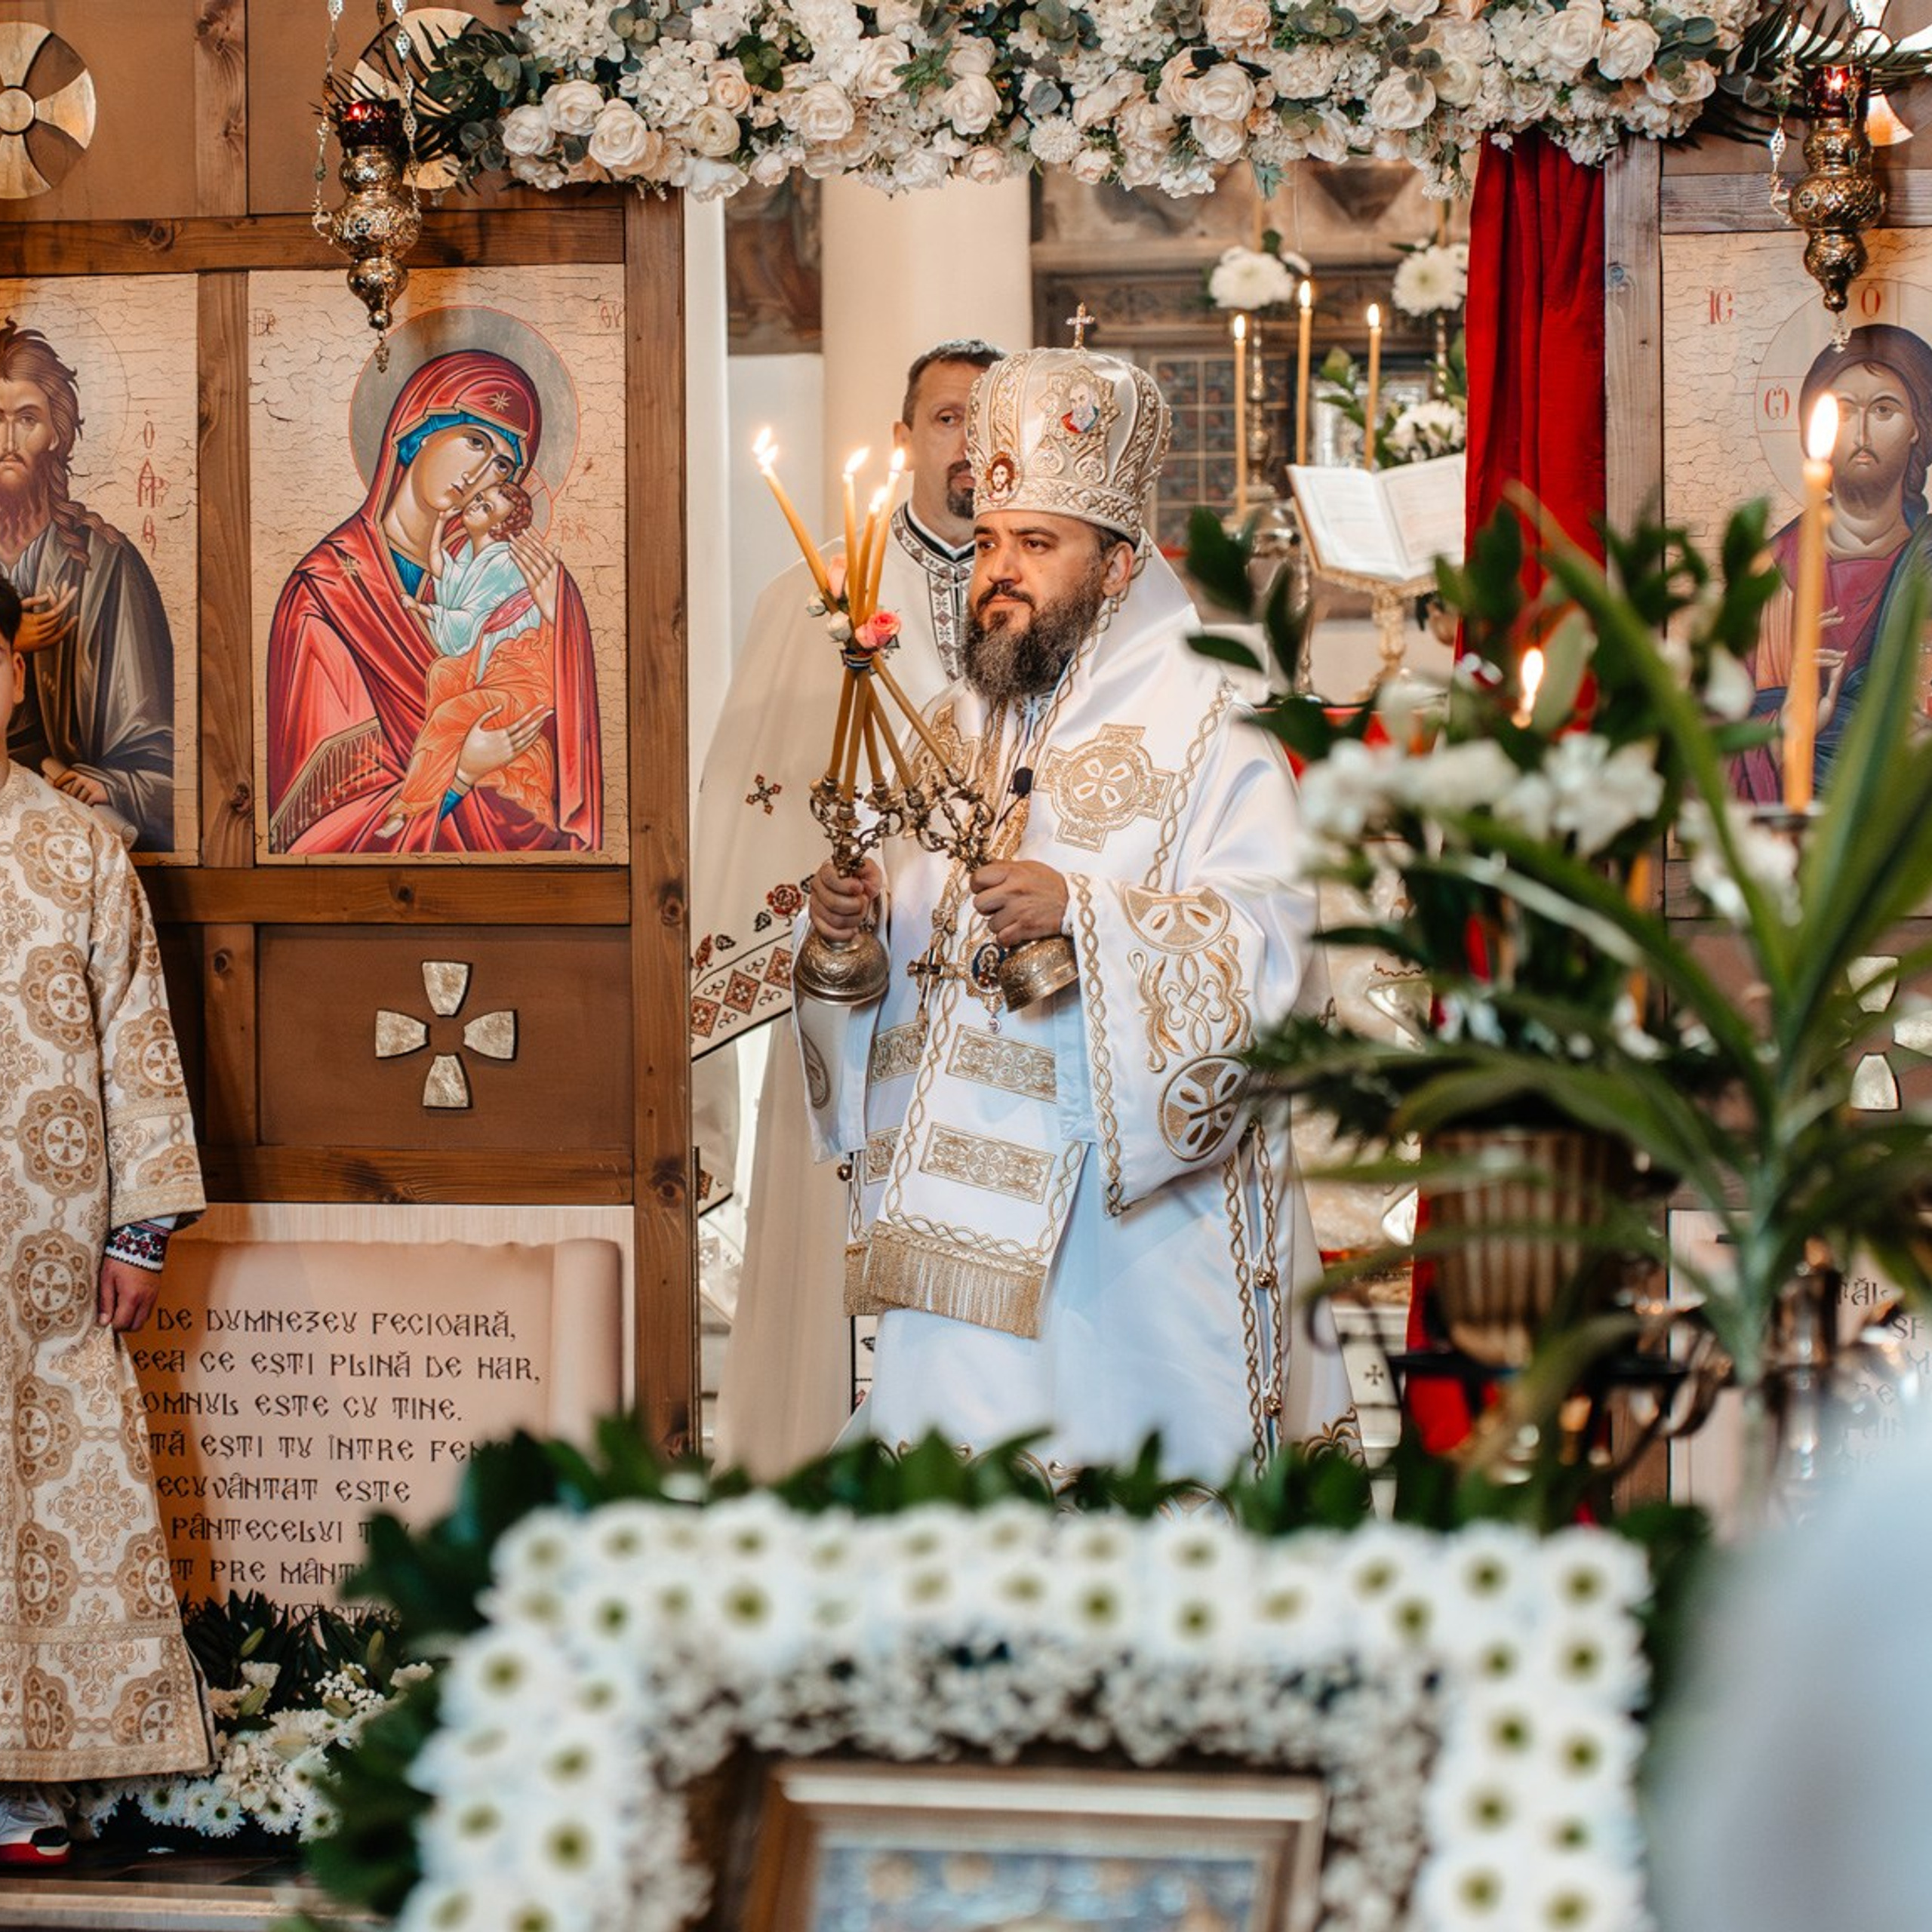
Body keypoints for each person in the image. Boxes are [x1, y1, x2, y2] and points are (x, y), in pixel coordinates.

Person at [798, 343, 1350, 1478]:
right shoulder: (956, 723)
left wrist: (1087, 916)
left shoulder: (1216, 721)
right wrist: (850, 936)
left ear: (1116, 563)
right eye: (991, 541)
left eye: (1037, 545)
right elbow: (906, 969)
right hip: (951, 1226)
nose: (999, 571)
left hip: (1131, 1240)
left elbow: (1278, 952)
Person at [697, 339, 1002, 1476]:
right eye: (947, 419)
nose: (972, 446)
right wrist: (815, 902)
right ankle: (809, 1498)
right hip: (855, 1007)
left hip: (1010, 1006)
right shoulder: (818, 595)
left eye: (993, 422)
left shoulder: (1068, 597)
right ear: (902, 442)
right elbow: (752, 795)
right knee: (832, 1268)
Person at [0, 574, 211, 1862]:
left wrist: (139, 1228)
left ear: (13, 678)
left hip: (44, 1263)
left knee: (40, 1502)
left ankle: (21, 1783)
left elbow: (137, 1037)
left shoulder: (77, 847)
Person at [265, 348, 601, 854]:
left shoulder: (521, 577)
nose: (479, 474)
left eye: (502, 464)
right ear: (417, 430)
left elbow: (558, 757)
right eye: (473, 441)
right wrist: (462, 772)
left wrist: (560, 622)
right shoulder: (327, 588)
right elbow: (323, 821)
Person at [1734, 323, 1932, 804]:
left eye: (1884, 410)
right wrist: (1794, 723)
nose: (1861, 433)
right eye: (1843, 412)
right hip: (1796, 849)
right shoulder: (1773, 574)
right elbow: (1713, 743)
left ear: (1917, 428)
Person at [0, 318, 177, 851]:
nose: (7, 441)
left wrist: (111, 783)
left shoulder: (105, 565)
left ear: (56, 431)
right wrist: (16, 639)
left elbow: (155, 753)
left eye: (26, 419)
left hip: (65, 840)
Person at [379, 481, 560, 838]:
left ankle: (409, 805)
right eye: (479, 499)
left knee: (449, 713)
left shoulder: (506, 563)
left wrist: (423, 608)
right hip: (489, 662)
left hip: (521, 678)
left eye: (487, 508)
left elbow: (470, 623)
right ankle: (443, 773)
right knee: (443, 673)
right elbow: (443, 571)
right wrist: (442, 525)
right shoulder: (470, 553)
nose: (475, 505)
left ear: (499, 527)